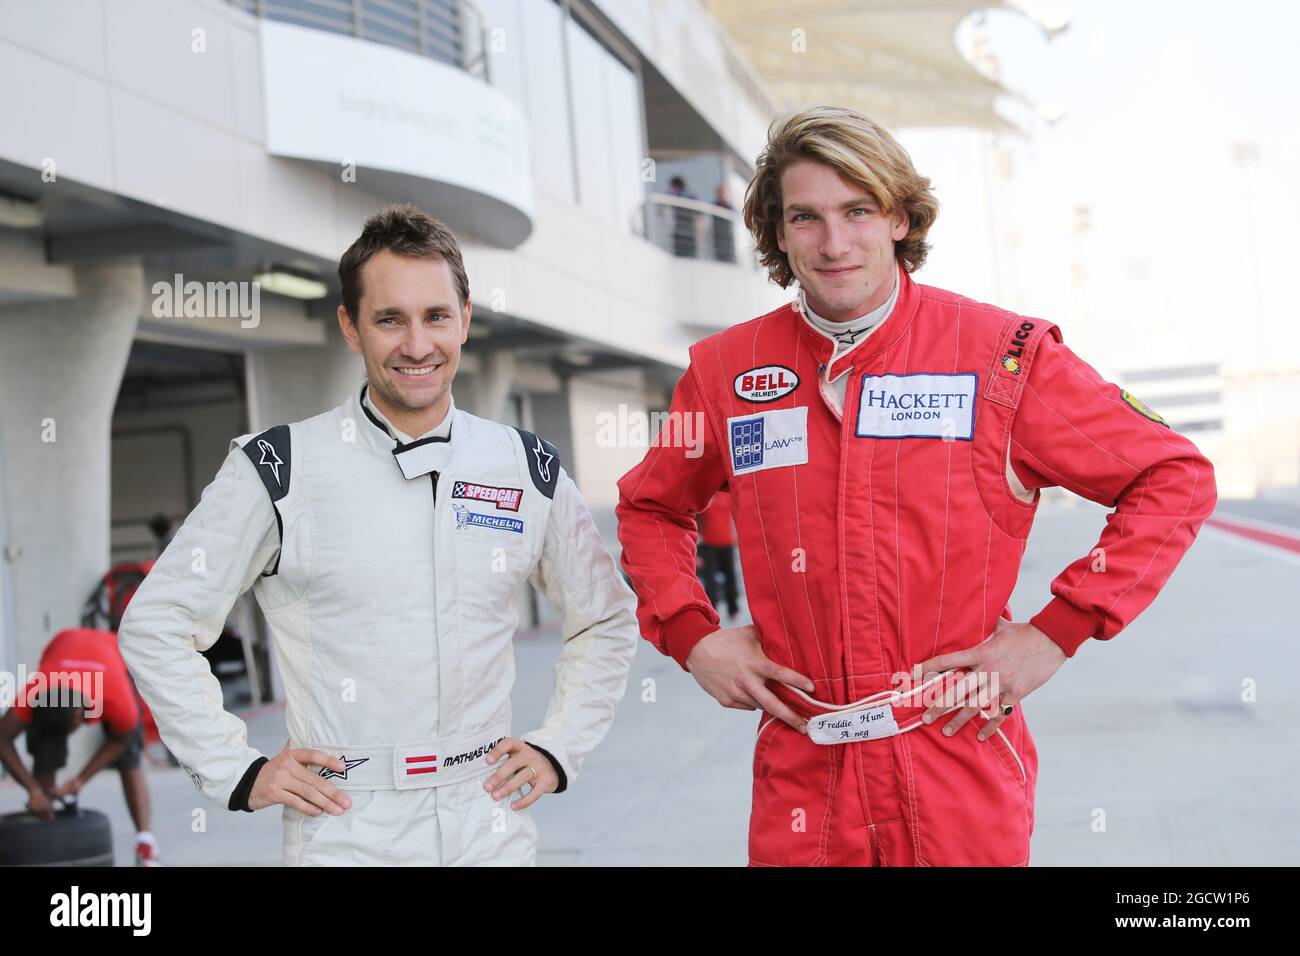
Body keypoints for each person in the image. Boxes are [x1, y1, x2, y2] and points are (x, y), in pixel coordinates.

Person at [615, 106, 1218, 867]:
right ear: (777, 230)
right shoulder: (723, 373)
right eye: (806, 217)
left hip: (956, 762)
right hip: (804, 778)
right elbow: (649, 505)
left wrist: (1055, 632)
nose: (834, 243)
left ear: (899, 217)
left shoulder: (1003, 356)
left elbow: (1173, 476)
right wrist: (692, 634)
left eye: (857, 210)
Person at [118, 204, 639, 866]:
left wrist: (560, 746)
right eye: (390, 319)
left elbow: (606, 619)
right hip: (346, 831)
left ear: (466, 318)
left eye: (436, 316)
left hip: (490, 824)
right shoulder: (278, 469)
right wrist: (236, 770)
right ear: (350, 326)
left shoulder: (524, 465)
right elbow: (157, 623)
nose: (417, 345)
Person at [0, 627, 161, 866]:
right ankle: (45, 821)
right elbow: (2, 737)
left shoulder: (116, 697)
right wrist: (33, 790)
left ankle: (146, 844)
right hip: (64, 644)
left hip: (113, 653)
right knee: (46, 747)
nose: (69, 735)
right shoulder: (37, 689)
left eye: (71, 728)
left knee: (129, 760)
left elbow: (120, 741)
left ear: (81, 713)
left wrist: (80, 780)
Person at [696, 491, 739, 618]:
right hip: (709, 543)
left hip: (727, 542)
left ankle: (733, 609)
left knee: (730, 576)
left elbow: (735, 515)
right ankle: (712, 610)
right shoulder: (705, 497)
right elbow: (697, 518)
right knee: (710, 579)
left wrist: (736, 534)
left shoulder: (728, 496)